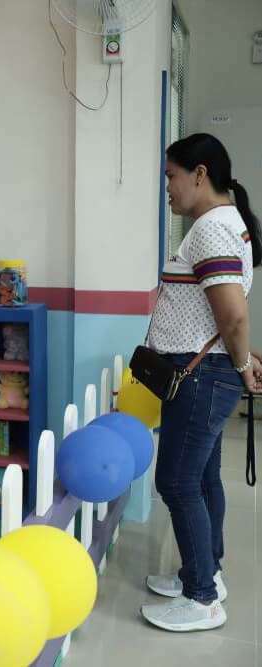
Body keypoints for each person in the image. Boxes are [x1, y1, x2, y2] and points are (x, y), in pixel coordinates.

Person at [142, 133, 262, 632]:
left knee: (175, 481)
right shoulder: (224, 223)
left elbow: (232, 317)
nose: (166, 187)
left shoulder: (213, 227)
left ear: (200, 173)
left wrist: (239, 364)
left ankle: (202, 598)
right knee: (204, 478)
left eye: (171, 175)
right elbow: (225, 317)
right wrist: (237, 360)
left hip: (200, 378)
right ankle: (204, 569)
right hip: (205, 373)